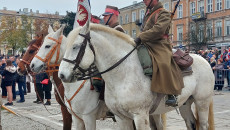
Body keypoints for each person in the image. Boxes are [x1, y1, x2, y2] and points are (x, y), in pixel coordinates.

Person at [134, 0, 184, 107]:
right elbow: (144, 30)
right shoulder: (147, 13)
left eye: (146, 0)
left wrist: (141, 37)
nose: (144, 2)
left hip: (159, 44)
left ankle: (172, 94)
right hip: (147, 43)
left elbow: (159, 30)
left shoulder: (163, 13)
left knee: (164, 63)